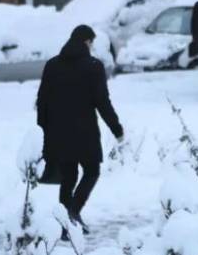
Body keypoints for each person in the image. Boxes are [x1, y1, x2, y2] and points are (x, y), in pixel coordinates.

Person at [36, 25, 123, 237]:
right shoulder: (93, 67)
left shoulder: (52, 65)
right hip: (85, 132)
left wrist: (43, 132)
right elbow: (102, 102)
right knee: (92, 171)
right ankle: (73, 212)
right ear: (87, 42)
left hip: (58, 132)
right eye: (91, 43)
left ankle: (66, 222)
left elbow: (42, 102)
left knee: (68, 176)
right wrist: (117, 128)